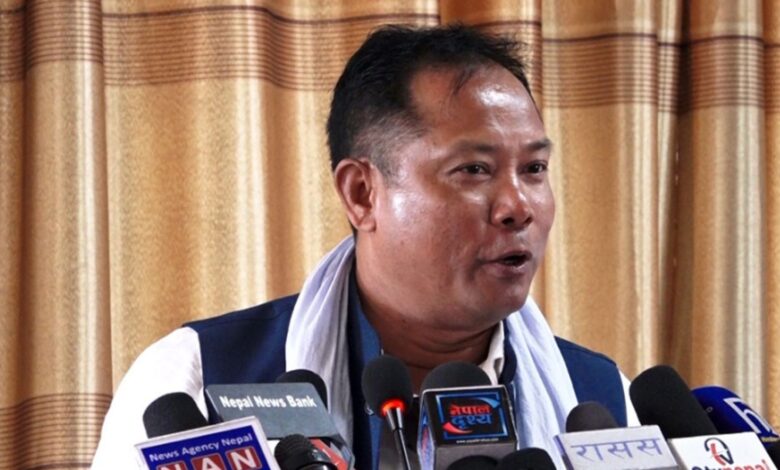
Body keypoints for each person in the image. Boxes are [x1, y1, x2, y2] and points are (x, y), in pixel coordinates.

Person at [92, 24, 638, 469]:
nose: (518, 206)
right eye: (474, 169)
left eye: (534, 169)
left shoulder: (603, 401)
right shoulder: (195, 377)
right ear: (362, 193)